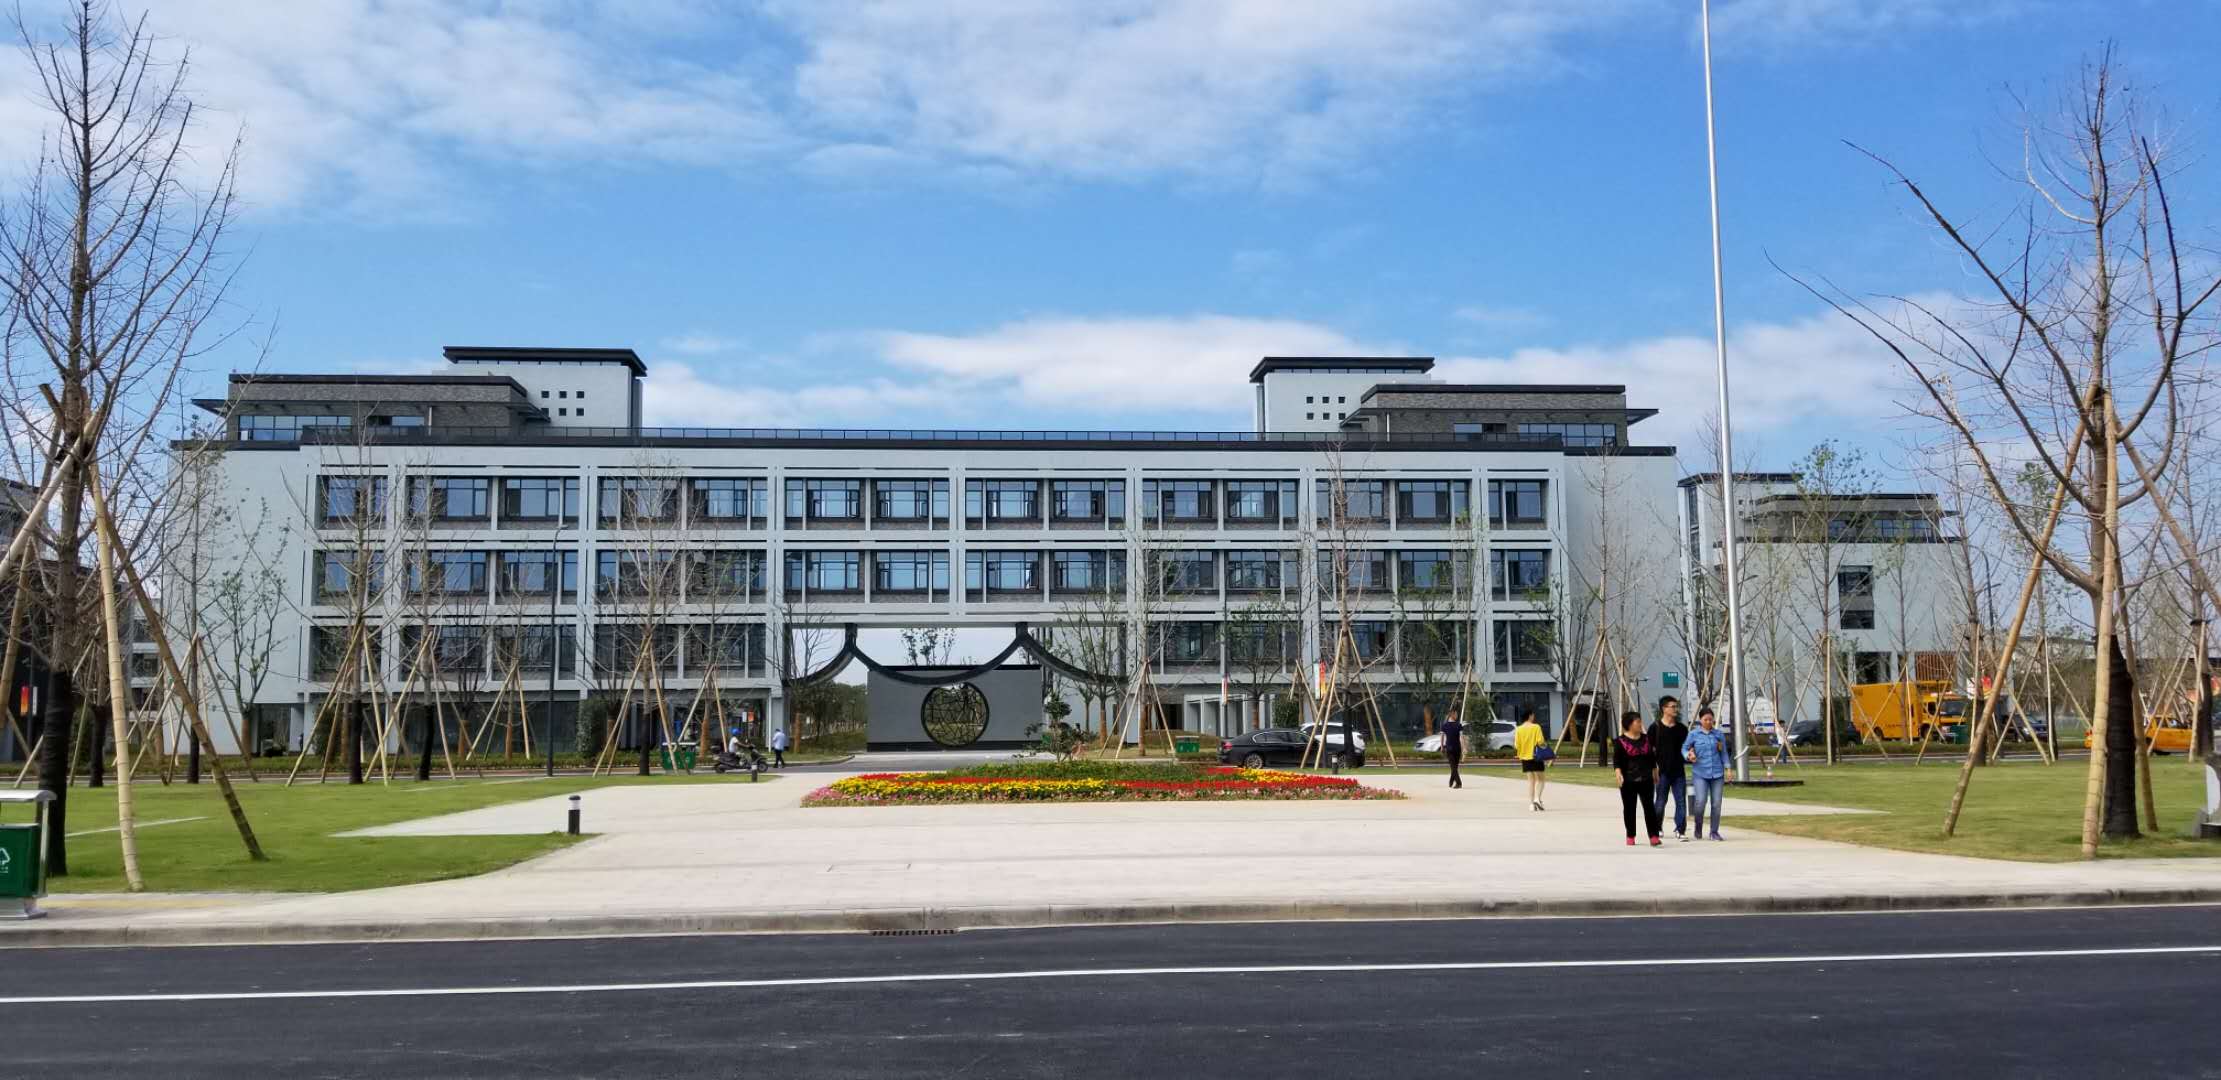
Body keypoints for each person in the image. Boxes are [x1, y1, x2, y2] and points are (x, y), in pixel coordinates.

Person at [1613, 711, 1663, 846]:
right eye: (1638, 722)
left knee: (1649, 807)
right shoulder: (1620, 741)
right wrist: (1618, 773)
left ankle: (1653, 836)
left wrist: (1655, 772)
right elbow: (1617, 761)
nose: (1641, 724)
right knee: (1629, 808)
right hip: (1628, 780)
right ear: (1629, 724)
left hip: (1646, 779)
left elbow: (1651, 758)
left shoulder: (1647, 739)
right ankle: (1630, 835)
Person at [1685, 707, 1731, 841]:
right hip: (1700, 773)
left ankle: (1714, 832)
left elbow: (1723, 753)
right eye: (1705, 719)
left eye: (1711, 719)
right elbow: (1684, 748)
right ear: (1700, 720)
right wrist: (1688, 755)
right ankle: (1698, 826)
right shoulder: (1693, 734)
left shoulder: (1718, 734)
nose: (1708, 722)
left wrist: (1728, 768)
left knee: (1716, 804)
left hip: (1717, 773)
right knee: (1700, 802)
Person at [1649, 696, 1690, 841]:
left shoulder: (1682, 729)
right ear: (1664, 709)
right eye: (1672, 706)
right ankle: (1657, 827)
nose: (1675, 709)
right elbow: (1649, 750)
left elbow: (1687, 747)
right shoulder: (1655, 728)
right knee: (1660, 802)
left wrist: (1690, 754)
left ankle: (1680, 830)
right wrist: (1653, 768)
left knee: (1681, 802)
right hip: (1662, 772)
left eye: (1676, 706)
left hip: (1678, 771)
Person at [1514, 708, 1548, 811]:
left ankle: (1532, 804)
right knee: (1541, 779)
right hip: (1536, 756)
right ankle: (1537, 799)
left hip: (1525, 757)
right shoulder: (1536, 727)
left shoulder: (1519, 729)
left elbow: (1516, 745)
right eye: (1533, 715)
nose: (1534, 717)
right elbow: (1540, 741)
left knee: (1531, 782)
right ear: (1529, 716)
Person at [1439, 709, 1465, 789]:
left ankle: (1455, 782)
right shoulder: (1457, 725)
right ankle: (1456, 782)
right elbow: (1461, 738)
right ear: (1452, 715)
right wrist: (1463, 748)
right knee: (1454, 767)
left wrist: (1442, 747)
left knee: (1454, 767)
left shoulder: (1445, 725)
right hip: (1455, 748)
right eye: (1456, 714)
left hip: (1451, 748)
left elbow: (1442, 737)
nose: (1457, 716)